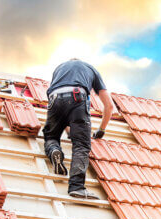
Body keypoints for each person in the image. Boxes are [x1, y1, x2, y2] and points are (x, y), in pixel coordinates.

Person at [42, 58, 113, 199]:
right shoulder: (91, 69)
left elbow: (62, 110)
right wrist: (102, 129)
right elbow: (109, 106)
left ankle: (54, 151)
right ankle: (77, 187)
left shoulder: (59, 68)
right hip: (77, 97)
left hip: (54, 99)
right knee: (81, 145)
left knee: (51, 136)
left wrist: (69, 132)